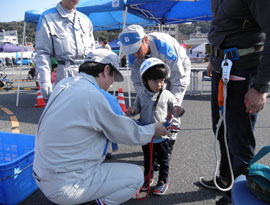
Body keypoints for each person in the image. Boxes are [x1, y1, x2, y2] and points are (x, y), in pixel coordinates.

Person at [33, 49, 170, 205]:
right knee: (136, 177)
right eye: (112, 76)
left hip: (41, 176)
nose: (111, 83)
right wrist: (153, 129)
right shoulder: (93, 95)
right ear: (106, 70)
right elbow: (127, 133)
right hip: (66, 185)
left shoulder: (64, 84)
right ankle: (98, 202)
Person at [199, 1, 270, 204]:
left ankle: (237, 196)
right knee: (220, 131)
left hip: (244, 71)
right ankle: (225, 179)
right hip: (222, 68)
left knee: (239, 140)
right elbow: (221, 25)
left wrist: (260, 87)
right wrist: (213, 58)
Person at [118, 24, 191, 153]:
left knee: (170, 109)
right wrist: (145, 101)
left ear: (145, 40)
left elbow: (178, 79)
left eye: (137, 49)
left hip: (176, 71)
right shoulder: (133, 55)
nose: (134, 54)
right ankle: (153, 141)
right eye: (130, 51)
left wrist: (174, 102)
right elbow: (138, 83)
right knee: (153, 110)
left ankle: (168, 145)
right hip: (152, 75)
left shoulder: (164, 46)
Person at [126, 57, 185, 195]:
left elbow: (175, 109)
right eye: (155, 81)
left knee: (163, 160)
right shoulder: (141, 94)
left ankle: (163, 181)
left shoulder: (167, 94)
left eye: (162, 80)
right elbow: (137, 107)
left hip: (162, 134)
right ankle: (148, 179)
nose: (159, 84)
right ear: (145, 80)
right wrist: (133, 110)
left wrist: (178, 110)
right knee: (148, 159)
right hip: (146, 133)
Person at [34, 0, 95, 100]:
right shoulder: (48, 17)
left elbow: (93, 51)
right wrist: (45, 80)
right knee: (66, 111)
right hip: (64, 74)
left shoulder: (85, 19)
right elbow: (42, 52)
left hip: (86, 73)